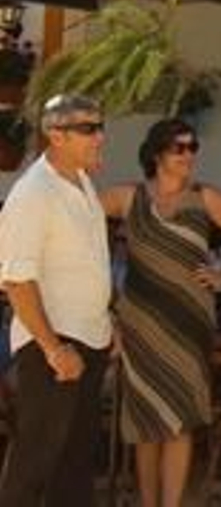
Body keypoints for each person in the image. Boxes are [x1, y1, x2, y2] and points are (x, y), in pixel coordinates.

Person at [100, 117, 221, 507]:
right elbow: (77, 217)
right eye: (180, 148)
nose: (189, 155)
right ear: (157, 154)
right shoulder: (127, 197)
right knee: (146, 424)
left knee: (180, 421)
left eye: (193, 147)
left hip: (189, 324)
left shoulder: (206, 197)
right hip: (140, 323)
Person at [0, 94, 114, 505]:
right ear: (56, 135)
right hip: (53, 345)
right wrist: (52, 347)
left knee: (75, 465)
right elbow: (16, 280)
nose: (99, 136)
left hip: (87, 340)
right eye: (88, 128)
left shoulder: (82, 182)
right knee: (37, 461)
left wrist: (104, 325)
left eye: (100, 126)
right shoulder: (34, 193)